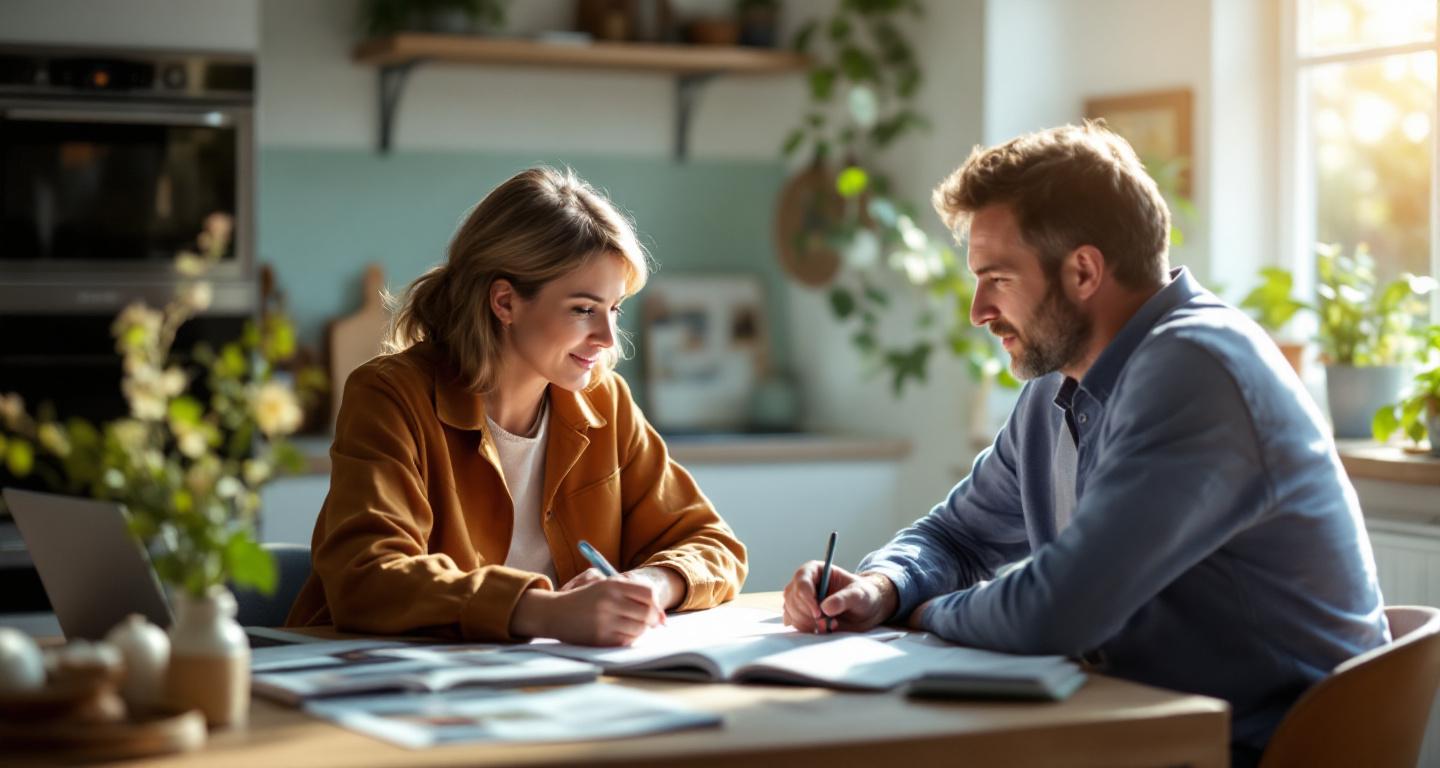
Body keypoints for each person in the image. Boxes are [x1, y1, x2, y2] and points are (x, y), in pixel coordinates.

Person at [781, 123, 1388, 764]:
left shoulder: (1195, 367)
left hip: (1259, 747)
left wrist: (920, 612)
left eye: (997, 279)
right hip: (1148, 730)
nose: (977, 311)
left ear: (1083, 270)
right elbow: (959, 536)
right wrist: (885, 586)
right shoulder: (1057, 390)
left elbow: (1057, 613)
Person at [288, 167, 747, 646]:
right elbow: (369, 576)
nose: (608, 338)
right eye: (583, 309)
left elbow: (714, 545)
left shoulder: (605, 401)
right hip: (381, 689)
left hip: (542, 689)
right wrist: (545, 612)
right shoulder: (390, 396)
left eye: (614, 309)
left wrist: (645, 584)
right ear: (505, 302)